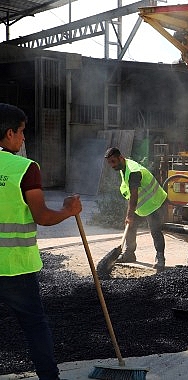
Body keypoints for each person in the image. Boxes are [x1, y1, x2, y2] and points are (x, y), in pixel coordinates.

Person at [0, 103, 83, 380]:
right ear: (9, 133)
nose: (24, 139)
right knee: (34, 324)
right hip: (15, 267)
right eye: (22, 132)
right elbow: (43, 217)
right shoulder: (25, 169)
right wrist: (68, 211)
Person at [104, 147, 168, 270]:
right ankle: (129, 254)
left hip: (155, 202)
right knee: (130, 226)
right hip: (142, 205)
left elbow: (134, 195)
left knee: (155, 230)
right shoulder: (124, 168)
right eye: (109, 162)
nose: (111, 165)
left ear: (121, 158)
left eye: (113, 161)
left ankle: (160, 258)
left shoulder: (133, 171)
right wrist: (130, 215)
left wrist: (129, 214)